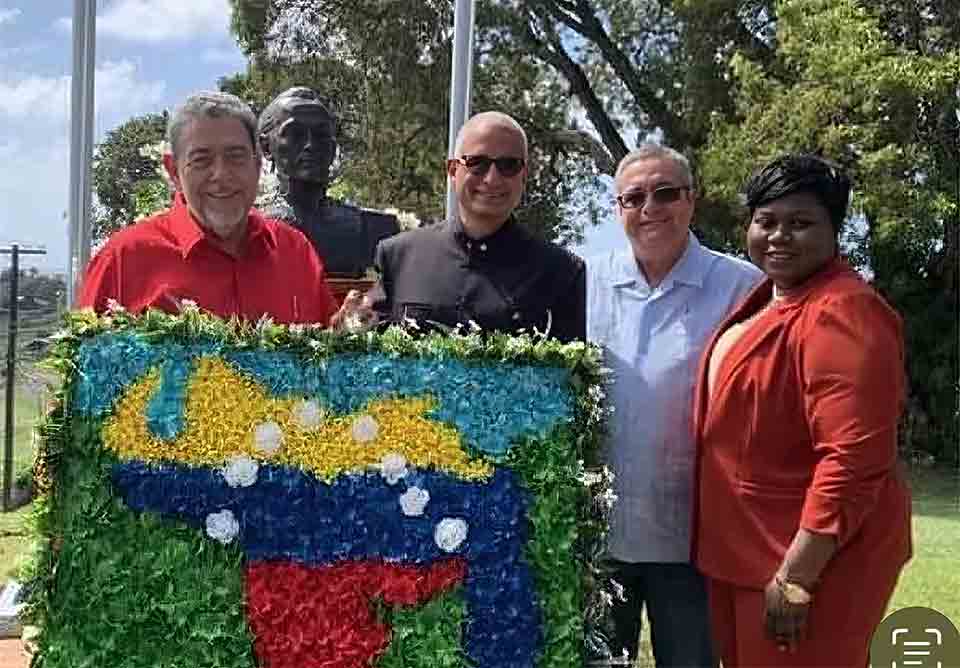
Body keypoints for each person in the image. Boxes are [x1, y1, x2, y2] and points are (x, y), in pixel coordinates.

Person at [692, 154, 912, 666]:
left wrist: (797, 577)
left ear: (835, 231)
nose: (778, 236)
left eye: (801, 223)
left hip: (806, 563)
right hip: (744, 552)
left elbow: (853, 460)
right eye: (766, 221)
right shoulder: (769, 297)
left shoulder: (842, 310)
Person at [587, 144, 762, 666]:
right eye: (633, 197)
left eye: (665, 193)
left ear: (692, 200)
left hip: (696, 541)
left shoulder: (743, 287)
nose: (650, 208)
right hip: (600, 540)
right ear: (617, 209)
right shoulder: (584, 282)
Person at [78, 91, 339, 325]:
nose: (221, 175)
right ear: (173, 170)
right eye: (201, 160)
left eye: (235, 157)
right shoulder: (122, 260)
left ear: (257, 164)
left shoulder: (295, 252)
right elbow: (82, 370)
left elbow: (328, 362)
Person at [368, 111, 585, 343]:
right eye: (477, 163)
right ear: (452, 171)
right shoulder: (398, 257)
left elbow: (571, 372)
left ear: (524, 175)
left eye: (508, 165)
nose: (492, 178)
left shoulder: (562, 273)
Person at [257, 87, 400, 277]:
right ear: (266, 147)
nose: (310, 145)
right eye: (296, 134)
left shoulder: (375, 228)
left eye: (321, 135)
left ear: (333, 147)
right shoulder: (244, 229)